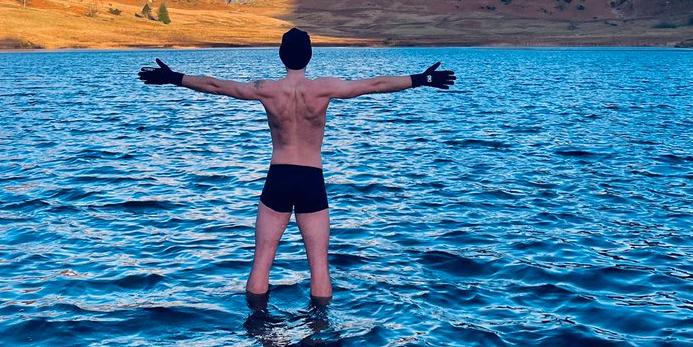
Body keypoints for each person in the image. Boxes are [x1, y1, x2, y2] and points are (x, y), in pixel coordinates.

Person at [138, 28, 455, 306]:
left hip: (279, 177)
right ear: (310, 55)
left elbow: (217, 85)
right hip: (310, 178)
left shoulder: (267, 90)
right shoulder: (322, 89)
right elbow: (375, 84)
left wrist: (173, 78)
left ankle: (258, 328)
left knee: (261, 261)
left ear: (280, 55)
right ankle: (318, 332)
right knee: (319, 265)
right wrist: (422, 79)